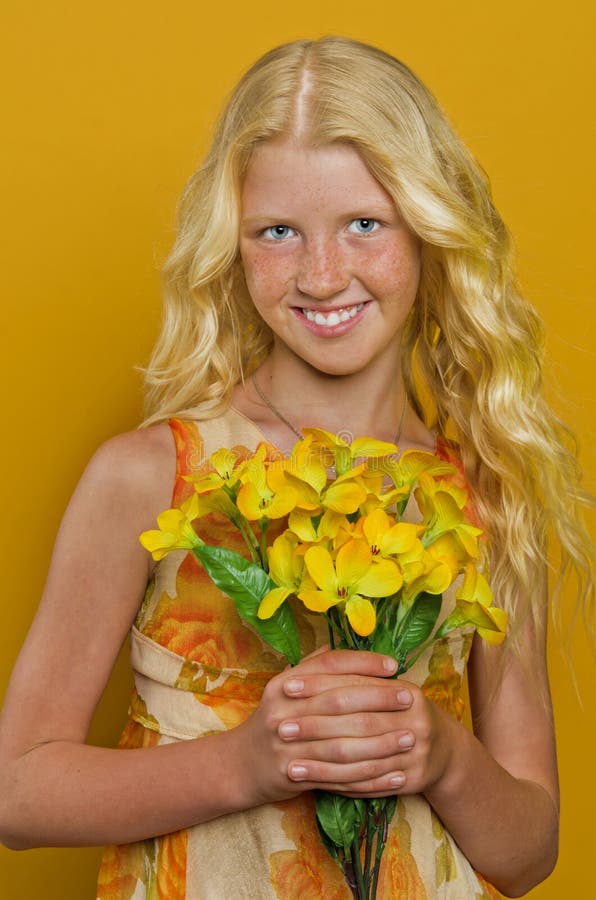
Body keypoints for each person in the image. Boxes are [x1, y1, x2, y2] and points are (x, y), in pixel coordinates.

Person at [0, 36, 592, 899]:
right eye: (278, 231)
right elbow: (17, 794)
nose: (322, 275)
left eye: (364, 224)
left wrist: (441, 754)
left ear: (430, 228)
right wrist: (246, 765)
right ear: (232, 247)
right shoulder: (148, 477)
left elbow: (527, 851)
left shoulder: (487, 496)